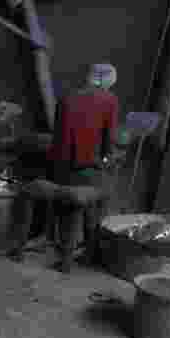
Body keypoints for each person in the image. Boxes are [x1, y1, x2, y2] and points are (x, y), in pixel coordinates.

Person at [48, 63, 122, 257]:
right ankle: (91, 249)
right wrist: (109, 156)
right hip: (87, 170)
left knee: (68, 203)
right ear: (106, 81)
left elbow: (57, 136)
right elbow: (109, 142)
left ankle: (64, 247)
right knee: (101, 197)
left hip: (59, 169)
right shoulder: (109, 100)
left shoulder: (65, 98)